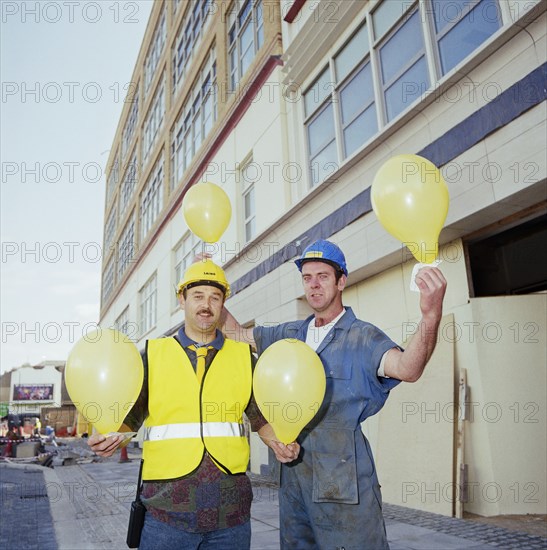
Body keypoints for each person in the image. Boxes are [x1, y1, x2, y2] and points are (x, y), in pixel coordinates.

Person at [222, 239, 447, 549]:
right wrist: (210, 283)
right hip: (293, 483)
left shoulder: (363, 337)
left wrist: (430, 317)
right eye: (307, 278)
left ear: (341, 281)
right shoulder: (288, 335)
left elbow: (408, 368)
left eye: (323, 276)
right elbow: (234, 334)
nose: (313, 285)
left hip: (344, 488)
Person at [88, 259, 298, 550]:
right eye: (197, 296)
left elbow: (259, 417)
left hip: (231, 517)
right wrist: (110, 437)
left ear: (223, 304)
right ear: (181, 300)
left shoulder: (243, 358)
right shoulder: (154, 355)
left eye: (215, 298)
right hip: (166, 516)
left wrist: (280, 442)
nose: (206, 305)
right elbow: (132, 416)